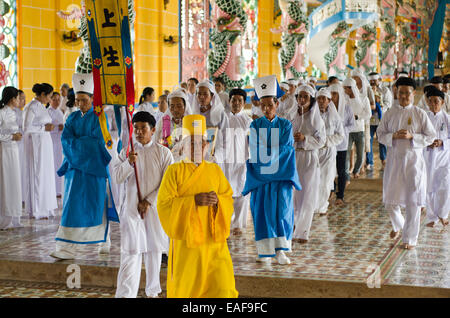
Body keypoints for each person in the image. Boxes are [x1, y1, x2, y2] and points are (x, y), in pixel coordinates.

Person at [157, 114, 238, 298]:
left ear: (207, 145)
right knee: (188, 292)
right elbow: (164, 204)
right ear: (182, 146)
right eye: (191, 143)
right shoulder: (174, 171)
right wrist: (193, 201)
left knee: (223, 289)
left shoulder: (214, 170)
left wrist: (218, 202)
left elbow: (228, 197)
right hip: (188, 245)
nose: (198, 147)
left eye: (202, 142)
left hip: (214, 243)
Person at [50, 73, 119, 260]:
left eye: (84, 100)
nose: (80, 104)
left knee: (98, 206)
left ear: (92, 99)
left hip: (94, 171)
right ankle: (66, 248)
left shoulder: (100, 118)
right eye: (78, 100)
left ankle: (104, 240)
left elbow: (97, 143)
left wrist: (77, 144)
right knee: (71, 207)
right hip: (75, 173)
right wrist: (81, 145)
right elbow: (66, 142)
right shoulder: (71, 119)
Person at [113, 111, 173, 298]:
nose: (138, 132)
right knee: (131, 251)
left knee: (154, 250)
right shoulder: (127, 152)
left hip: (154, 210)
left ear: (153, 130)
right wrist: (129, 164)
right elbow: (116, 177)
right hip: (131, 209)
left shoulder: (164, 153)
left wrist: (150, 201)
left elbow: (167, 183)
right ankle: (125, 294)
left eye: (143, 128)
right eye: (136, 128)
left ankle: (153, 292)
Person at [242, 75, 301, 264]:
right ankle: (265, 252)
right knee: (262, 212)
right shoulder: (255, 125)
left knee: (282, 211)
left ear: (277, 103)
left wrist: (268, 155)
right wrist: (269, 156)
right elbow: (255, 152)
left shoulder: (285, 125)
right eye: (263, 105)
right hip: (262, 179)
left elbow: (286, 149)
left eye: (270, 104)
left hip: (280, 178)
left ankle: (281, 250)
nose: (266, 109)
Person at [376, 77, 436, 250]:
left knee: (413, 201)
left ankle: (410, 238)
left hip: (414, 162)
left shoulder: (419, 113)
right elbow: (380, 134)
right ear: (396, 92)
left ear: (413, 93)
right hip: (395, 160)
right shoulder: (389, 113)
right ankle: (400, 225)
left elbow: (430, 136)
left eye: (407, 93)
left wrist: (413, 137)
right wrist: (393, 136)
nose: (403, 96)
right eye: (400, 92)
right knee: (389, 200)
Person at [290, 85, 325, 243]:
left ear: (311, 100)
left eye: (305, 97)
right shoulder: (292, 115)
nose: (302, 100)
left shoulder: (316, 119)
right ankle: (294, 225)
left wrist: (305, 139)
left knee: (308, 195)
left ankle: (303, 231)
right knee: (293, 195)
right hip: (293, 158)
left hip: (309, 158)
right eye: (299, 96)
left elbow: (321, 140)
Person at [23, 83, 58, 220]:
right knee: (38, 174)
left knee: (46, 175)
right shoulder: (31, 107)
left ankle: (46, 206)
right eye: (49, 96)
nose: (50, 100)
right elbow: (27, 128)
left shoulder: (42, 107)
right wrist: (44, 128)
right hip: (36, 145)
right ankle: (37, 209)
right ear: (42, 94)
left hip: (45, 145)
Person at [223, 88, 252, 235]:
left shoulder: (248, 121)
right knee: (226, 193)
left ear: (244, 103)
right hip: (226, 163)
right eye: (233, 100)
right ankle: (226, 223)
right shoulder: (222, 119)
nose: (236, 103)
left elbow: (252, 143)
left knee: (242, 193)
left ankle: (238, 225)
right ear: (229, 101)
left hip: (242, 161)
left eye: (240, 101)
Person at [422, 87, 449, 228]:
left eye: (436, 102)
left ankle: (443, 215)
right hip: (428, 158)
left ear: (442, 102)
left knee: (445, 187)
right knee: (429, 188)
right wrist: (428, 143)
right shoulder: (424, 118)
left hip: (444, 159)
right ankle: (432, 217)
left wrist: (443, 142)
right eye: (430, 102)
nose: (433, 104)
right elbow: (420, 136)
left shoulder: (447, 119)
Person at [316, 88, 344, 216]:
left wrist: (327, 141)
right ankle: (313, 205)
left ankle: (323, 206)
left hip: (328, 151)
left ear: (328, 101)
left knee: (326, 180)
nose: (321, 101)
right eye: (319, 99)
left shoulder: (334, 116)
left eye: (324, 99)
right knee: (315, 179)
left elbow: (340, 135)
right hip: (314, 152)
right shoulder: (312, 115)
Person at [0, 87, 23, 229]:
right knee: (5, 181)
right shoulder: (1, 113)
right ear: (11, 99)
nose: (19, 101)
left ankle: (14, 216)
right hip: (4, 151)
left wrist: (17, 135)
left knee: (14, 182)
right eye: (17, 98)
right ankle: (4, 218)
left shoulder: (13, 113)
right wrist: (11, 137)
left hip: (14, 151)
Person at [191, 80, 229, 165]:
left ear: (212, 96)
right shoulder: (193, 115)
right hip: (196, 158)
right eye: (199, 94)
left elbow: (227, 139)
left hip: (215, 158)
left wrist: (217, 156)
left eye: (205, 94)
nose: (201, 97)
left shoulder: (220, 114)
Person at [329, 84, 355, 206]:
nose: (333, 97)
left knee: (341, 169)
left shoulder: (347, 108)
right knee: (329, 168)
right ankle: (331, 189)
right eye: (331, 94)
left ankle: (340, 195)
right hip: (329, 143)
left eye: (335, 94)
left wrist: (342, 129)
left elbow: (352, 124)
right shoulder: (327, 108)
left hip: (342, 143)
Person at [342, 78, 371, 180]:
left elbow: (368, 114)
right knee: (346, 154)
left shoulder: (363, 98)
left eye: (346, 88)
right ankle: (346, 175)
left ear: (351, 88)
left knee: (360, 155)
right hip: (348, 131)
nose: (345, 91)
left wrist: (357, 117)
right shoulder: (344, 100)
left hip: (360, 130)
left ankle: (356, 171)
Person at [153, 89, 192, 161]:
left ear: (185, 106)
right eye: (172, 106)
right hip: (166, 161)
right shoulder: (163, 122)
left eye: (179, 106)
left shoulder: (191, 123)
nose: (175, 109)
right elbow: (155, 141)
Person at [367, 72, 392, 169]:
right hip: (369, 120)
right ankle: (369, 162)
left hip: (381, 119)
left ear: (379, 80)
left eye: (374, 80)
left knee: (382, 140)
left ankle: (384, 160)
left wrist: (379, 107)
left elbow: (388, 104)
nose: (372, 82)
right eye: (371, 81)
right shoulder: (367, 90)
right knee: (368, 140)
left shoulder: (385, 90)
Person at [47, 92, 64, 196]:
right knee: (53, 165)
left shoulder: (60, 112)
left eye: (59, 99)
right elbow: (46, 128)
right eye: (55, 99)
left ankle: (59, 190)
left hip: (60, 142)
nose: (57, 101)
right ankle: (53, 190)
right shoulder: (48, 112)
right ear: (50, 100)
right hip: (52, 141)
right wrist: (58, 127)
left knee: (59, 164)